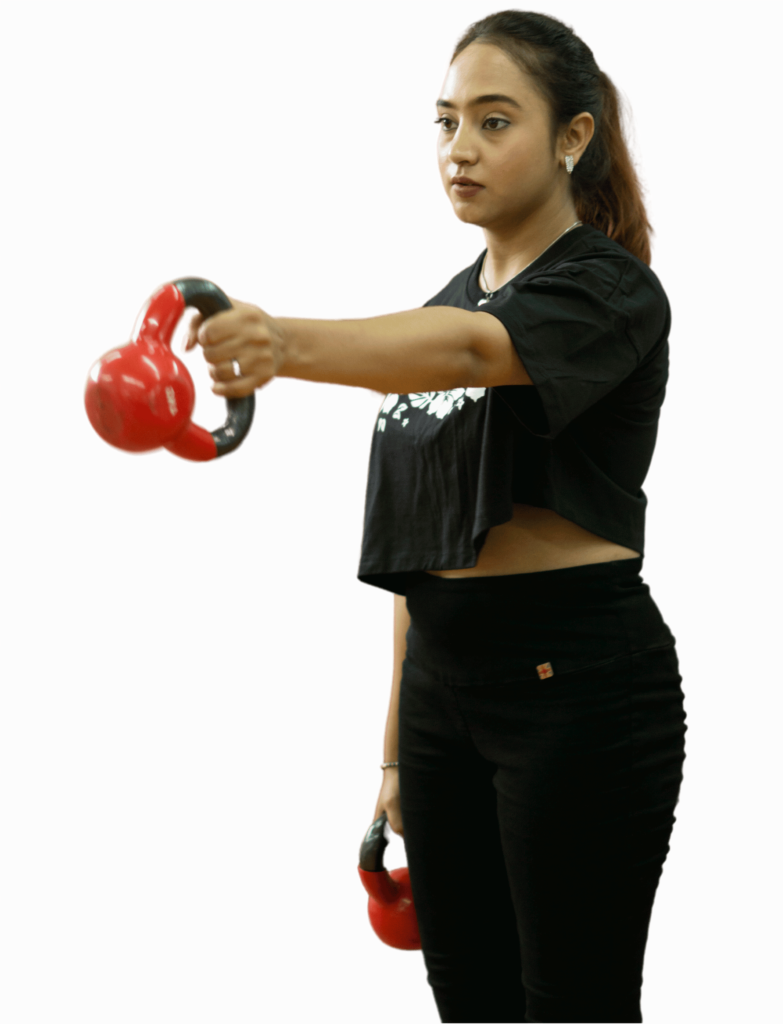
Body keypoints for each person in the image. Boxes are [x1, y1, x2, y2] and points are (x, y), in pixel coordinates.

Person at [179, 10, 688, 1022]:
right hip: (442, 698)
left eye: (493, 122)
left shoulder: (608, 290)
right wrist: (394, 756)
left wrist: (276, 340)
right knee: (468, 1004)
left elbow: (467, 353)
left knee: (571, 1004)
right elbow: (419, 556)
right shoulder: (439, 305)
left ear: (572, 137)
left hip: (574, 688)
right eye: (444, 121)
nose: (458, 149)